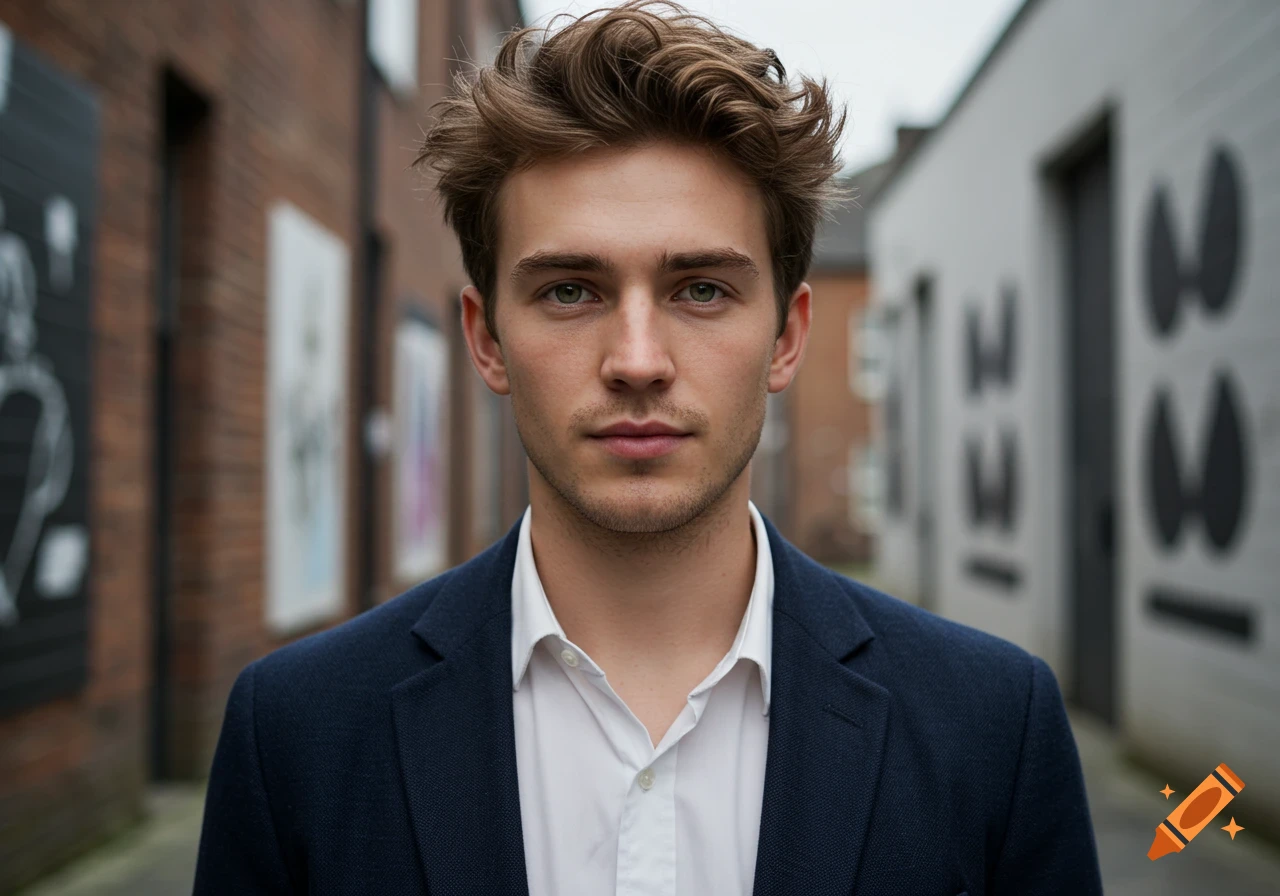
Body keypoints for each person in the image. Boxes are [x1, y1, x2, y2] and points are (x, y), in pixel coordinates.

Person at [193, 3, 1103, 893]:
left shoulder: (992, 727)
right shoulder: (297, 736)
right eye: (569, 292)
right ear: (485, 339)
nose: (637, 362)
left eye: (702, 290)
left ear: (787, 337)